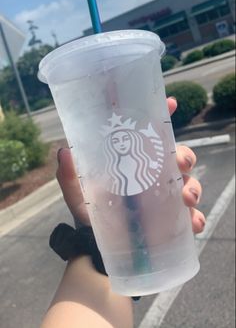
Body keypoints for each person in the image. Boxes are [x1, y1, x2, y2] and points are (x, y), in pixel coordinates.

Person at [41, 98, 206, 328]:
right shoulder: (111, 173)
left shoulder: (141, 164)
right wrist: (103, 235)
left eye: (125, 136)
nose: (120, 142)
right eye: (115, 139)